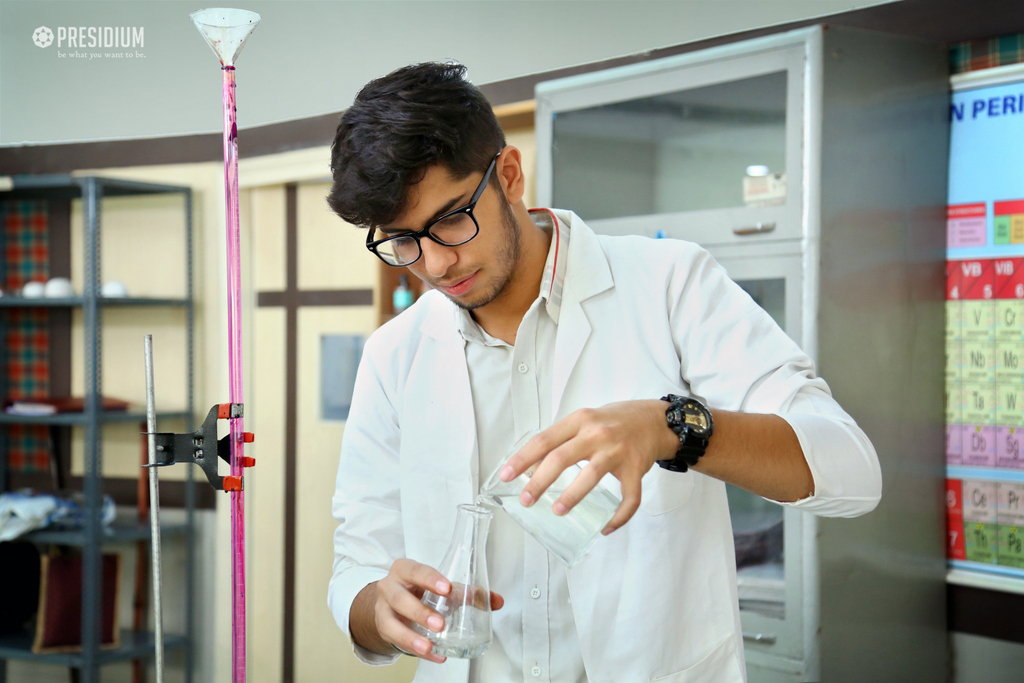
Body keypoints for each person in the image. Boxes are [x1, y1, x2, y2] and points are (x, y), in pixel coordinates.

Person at [326, 62, 881, 683]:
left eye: (452, 218)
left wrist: (673, 428)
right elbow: (357, 561)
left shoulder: (670, 283)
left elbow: (850, 471)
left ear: (508, 175)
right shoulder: (395, 354)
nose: (433, 262)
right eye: (402, 241)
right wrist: (379, 608)